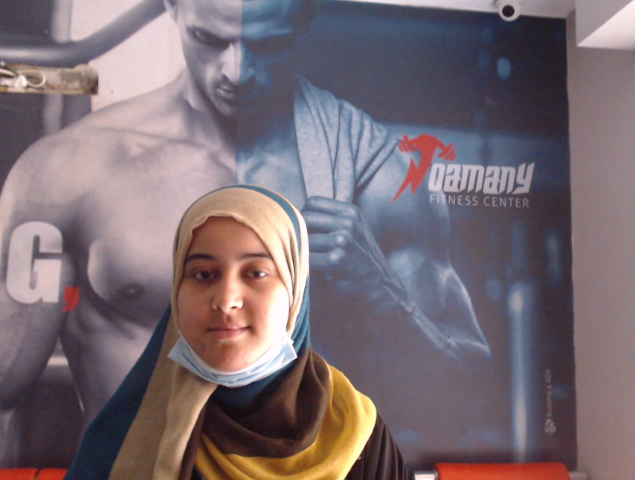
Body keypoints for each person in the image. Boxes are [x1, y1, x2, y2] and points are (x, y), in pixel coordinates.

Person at [0, 0, 489, 464]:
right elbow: (1, 395)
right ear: (172, 6)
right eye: (209, 39)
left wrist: (378, 290)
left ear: (305, 17)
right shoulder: (69, 170)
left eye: (267, 44)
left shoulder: (372, 174)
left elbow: (458, 408)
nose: (236, 72)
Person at [64, 185, 408, 480]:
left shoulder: (355, 428)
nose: (226, 300)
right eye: (203, 274)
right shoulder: (125, 437)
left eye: (256, 273)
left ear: (295, 291)